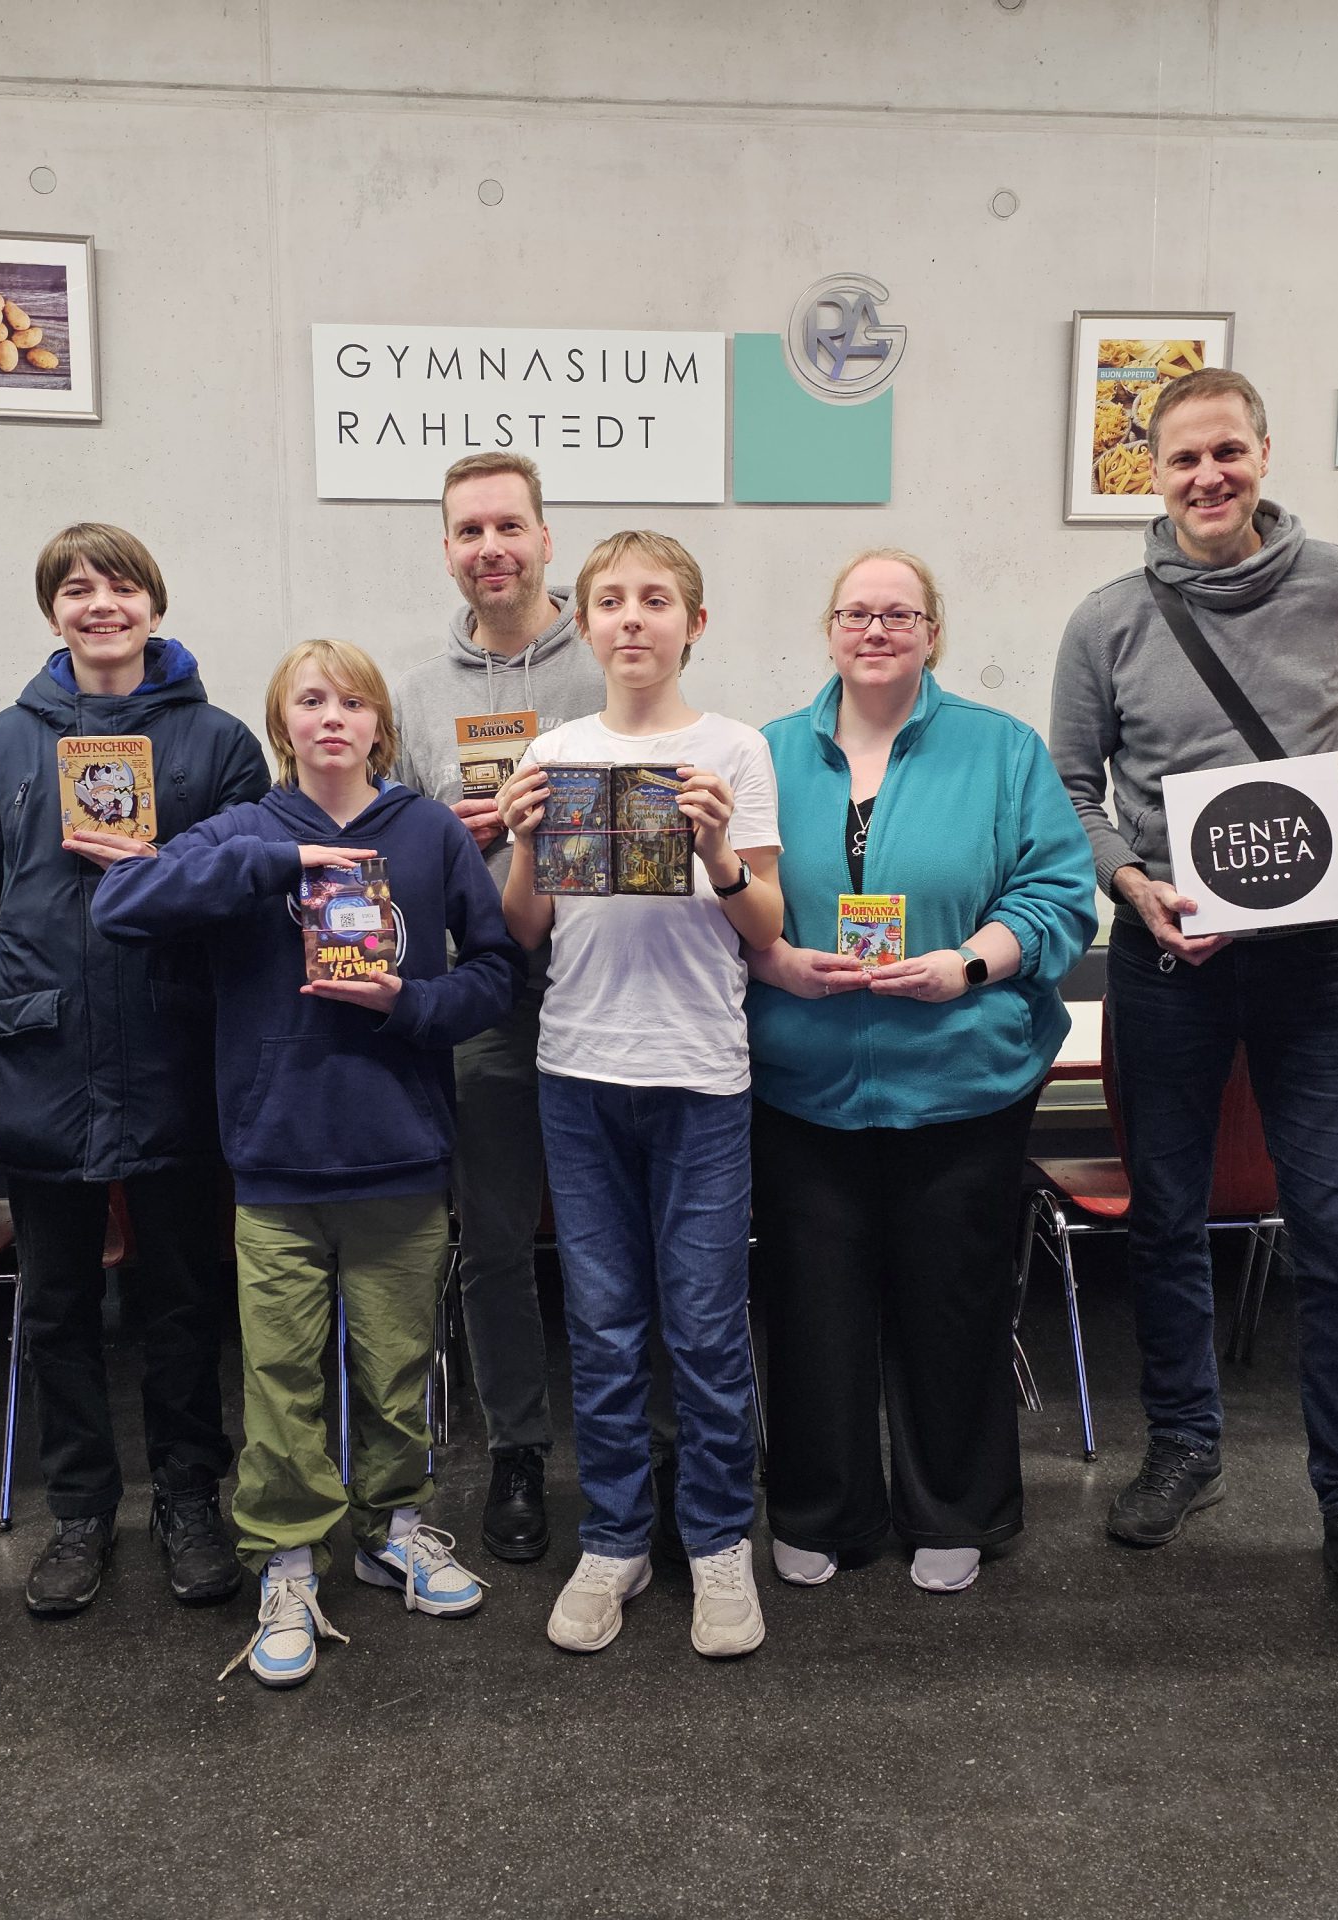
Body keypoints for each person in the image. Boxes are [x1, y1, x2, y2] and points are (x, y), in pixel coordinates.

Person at [1048, 367, 1338, 1642]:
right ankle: (1183, 1445)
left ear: (1263, 452)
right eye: (1182, 459)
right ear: (1151, 476)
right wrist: (1130, 881)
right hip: (1170, 958)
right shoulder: (1108, 619)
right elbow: (1070, 785)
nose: (1206, 476)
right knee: (1166, 1220)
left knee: (1334, 1237)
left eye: (1226, 451)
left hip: (1319, 965)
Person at [91, 639, 520, 1689]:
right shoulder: (247, 829)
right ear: (283, 724)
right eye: (311, 700)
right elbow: (119, 905)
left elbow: (497, 973)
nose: (334, 716)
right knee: (280, 1380)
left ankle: (392, 1526)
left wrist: (410, 1004)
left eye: (354, 702)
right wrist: (280, 864)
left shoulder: (427, 832)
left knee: (395, 1371)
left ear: (380, 725)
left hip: (401, 1154)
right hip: (277, 1160)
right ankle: (287, 1558)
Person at [0, 523, 270, 1619]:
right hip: (41, 1057)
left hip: (174, 1054)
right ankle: (80, 1510)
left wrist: (163, 868)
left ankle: (188, 1498)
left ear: (154, 607)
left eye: (121, 585)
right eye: (76, 589)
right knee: (58, 1307)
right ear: (53, 613)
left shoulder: (219, 742)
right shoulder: (5, 744)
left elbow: (253, 899)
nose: (100, 604)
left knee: (183, 1298)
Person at [745, 550, 1098, 1595]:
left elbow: (1060, 893)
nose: (876, 630)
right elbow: (725, 897)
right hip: (801, 1084)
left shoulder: (1002, 750)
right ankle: (821, 1508)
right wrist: (775, 961)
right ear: (828, 630)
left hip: (960, 1082)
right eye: (856, 612)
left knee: (952, 1307)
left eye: (899, 614)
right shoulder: (765, 753)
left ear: (933, 633)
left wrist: (968, 964)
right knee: (811, 1309)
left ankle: (955, 1507)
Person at [496, 530, 784, 1659]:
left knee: (706, 1326)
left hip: (701, 1077)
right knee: (605, 1324)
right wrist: (523, 844)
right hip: (579, 1072)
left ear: (692, 624)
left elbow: (764, 926)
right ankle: (614, 1537)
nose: (631, 618)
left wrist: (717, 850)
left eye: (655, 600)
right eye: (610, 600)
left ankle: (716, 1539)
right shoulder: (555, 749)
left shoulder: (736, 750)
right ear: (583, 623)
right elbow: (525, 930)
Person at [390, 453, 608, 1562]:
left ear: (545, 539)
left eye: (509, 526)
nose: (491, 548)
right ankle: (518, 1450)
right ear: (446, 551)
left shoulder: (609, 660)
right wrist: (451, 835)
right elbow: (391, 855)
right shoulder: (416, 695)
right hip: (485, 995)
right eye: (469, 531)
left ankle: (641, 1449)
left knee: (621, 1236)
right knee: (493, 1242)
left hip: (611, 984)